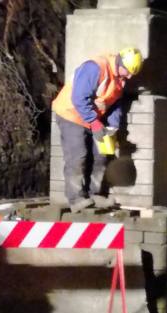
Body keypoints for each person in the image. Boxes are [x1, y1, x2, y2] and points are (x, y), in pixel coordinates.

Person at [52, 47, 143, 213]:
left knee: (101, 155)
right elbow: (79, 98)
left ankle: (96, 194)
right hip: (71, 114)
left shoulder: (119, 78)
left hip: (92, 118)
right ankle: (76, 198)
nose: (129, 77)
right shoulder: (95, 68)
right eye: (128, 71)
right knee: (78, 156)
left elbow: (114, 104)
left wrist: (112, 126)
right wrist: (94, 123)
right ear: (120, 63)